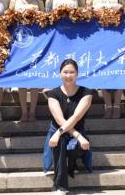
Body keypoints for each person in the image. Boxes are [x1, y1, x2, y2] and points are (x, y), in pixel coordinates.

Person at [46, 59, 93, 195]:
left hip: (76, 135)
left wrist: (78, 136)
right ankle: (60, 187)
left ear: (77, 74)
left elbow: (76, 117)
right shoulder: (53, 94)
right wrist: (59, 133)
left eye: (72, 72)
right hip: (59, 135)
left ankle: (71, 162)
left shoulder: (86, 93)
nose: (68, 75)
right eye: (65, 72)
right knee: (60, 141)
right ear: (60, 74)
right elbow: (60, 120)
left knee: (75, 144)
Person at [85, 0, 123, 119]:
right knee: (103, 71)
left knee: (118, 71)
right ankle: (108, 105)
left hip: (116, 38)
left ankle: (117, 105)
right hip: (99, 38)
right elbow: (86, 17)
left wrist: (122, 8)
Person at [9, 0, 45, 122]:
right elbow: (9, 21)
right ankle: (24, 111)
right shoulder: (13, 2)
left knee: (34, 77)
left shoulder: (39, 2)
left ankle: (33, 111)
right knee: (22, 77)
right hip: (20, 43)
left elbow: (44, 23)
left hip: (35, 42)